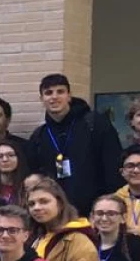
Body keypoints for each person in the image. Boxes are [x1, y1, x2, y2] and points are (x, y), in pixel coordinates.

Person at [27, 73, 122, 215]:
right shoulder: (40, 136)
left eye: (60, 91)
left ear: (69, 96)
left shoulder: (94, 124)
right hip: (57, 214)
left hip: (96, 211)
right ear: (41, 99)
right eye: (48, 93)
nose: (54, 97)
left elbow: (113, 166)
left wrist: (107, 205)